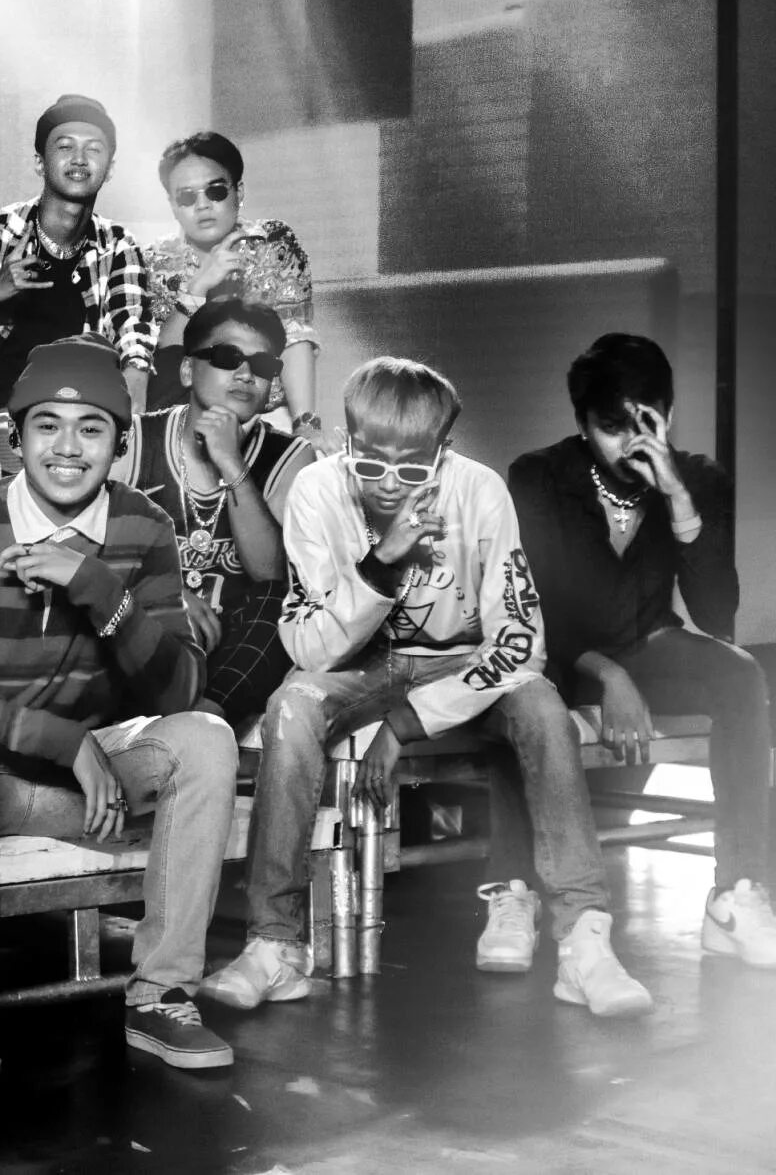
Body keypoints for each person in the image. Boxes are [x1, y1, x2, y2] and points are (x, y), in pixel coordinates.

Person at [201, 357, 655, 1017]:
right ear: (347, 440)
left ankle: (585, 942)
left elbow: (520, 640)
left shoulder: (479, 490)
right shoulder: (316, 492)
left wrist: (409, 720)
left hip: (459, 662)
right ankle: (276, 945)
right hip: (361, 661)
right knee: (291, 706)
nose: (389, 484)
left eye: (413, 468)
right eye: (371, 463)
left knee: (542, 704)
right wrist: (383, 564)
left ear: (443, 451)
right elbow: (309, 648)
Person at [0, 335, 239, 1079]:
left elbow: (178, 692)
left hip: (98, 793)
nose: (68, 447)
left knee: (207, 736)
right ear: (17, 436)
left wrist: (97, 588)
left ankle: (162, 994)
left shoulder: (144, 526)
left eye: (92, 428)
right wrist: (65, 742)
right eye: (47, 425)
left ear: (120, 444)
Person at [510, 334, 776, 967]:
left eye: (646, 423)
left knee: (740, 675)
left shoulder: (698, 479)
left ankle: (735, 895)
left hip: (650, 645)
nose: (632, 443)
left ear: (668, 413)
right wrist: (609, 677)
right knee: (527, 689)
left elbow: (716, 614)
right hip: (560, 656)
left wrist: (679, 500)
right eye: (611, 428)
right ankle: (525, 898)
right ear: (582, 424)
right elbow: (539, 607)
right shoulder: (540, 477)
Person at [115, 297, 314, 729]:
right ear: (188, 370)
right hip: (140, 634)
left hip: (230, 657)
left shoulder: (291, 456)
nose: (245, 374)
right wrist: (162, 595)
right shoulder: (133, 440)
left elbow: (270, 574)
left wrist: (232, 464)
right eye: (227, 357)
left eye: (262, 365)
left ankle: (204, 722)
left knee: (282, 599)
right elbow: (81, 546)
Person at [0, 94, 155, 423]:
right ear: (40, 163)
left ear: (110, 169)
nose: (79, 159)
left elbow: (131, 327)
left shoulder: (117, 245)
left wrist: (137, 369)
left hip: (70, 418)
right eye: (65, 146)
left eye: (93, 149)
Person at [144, 132, 325, 452]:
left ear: (238, 192)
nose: (203, 205)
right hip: (184, 417)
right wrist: (198, 286)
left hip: (265, 415)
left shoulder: (272, 242)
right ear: (172, 205)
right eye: (187, 197)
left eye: (215, 191)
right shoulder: (154, 262)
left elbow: (295, 334)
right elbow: (163, 362)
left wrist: (306, 426)